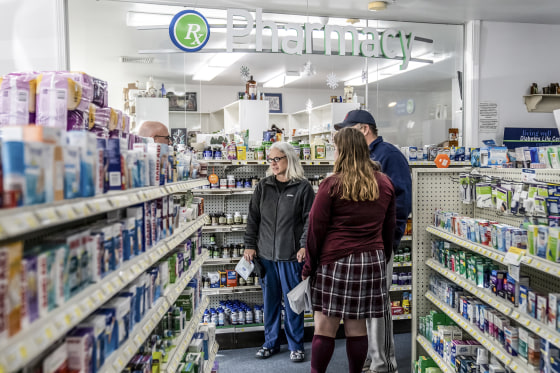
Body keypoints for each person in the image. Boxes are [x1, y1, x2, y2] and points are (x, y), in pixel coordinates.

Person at [303, 127, 396, 373]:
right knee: (358, 327)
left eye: (335, 148)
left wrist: (309, 267)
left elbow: (315, 230)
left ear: (342, 152)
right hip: (371, 261)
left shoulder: (331, 184)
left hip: (336, 261)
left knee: (325, 327)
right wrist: (382, 257)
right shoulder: (384, 183)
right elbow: (389, 228)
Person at [335, 109, 412, 373]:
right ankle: (371, 358)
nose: (343, 135)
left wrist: (390, 241)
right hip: (362, 247)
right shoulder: (364, 156)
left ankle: (383, 364)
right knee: (366, 307)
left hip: (379, 245)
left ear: (364, 129)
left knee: (378, 308)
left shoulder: (389, 155)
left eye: (349, 129)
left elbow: (400, 203)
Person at [243, 141, 315, 363]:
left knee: (293, 302)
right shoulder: (263, 186)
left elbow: (309, 221)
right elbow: (253, 218)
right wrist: (249, 244)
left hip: (291, 256)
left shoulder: (303, 187)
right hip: (265, 256)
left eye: (277, 159)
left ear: (289, 159)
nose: (273, 163)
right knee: (270, 301)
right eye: (270, 159)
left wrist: (304, 244)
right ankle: (270, 343)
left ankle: (296, 346)